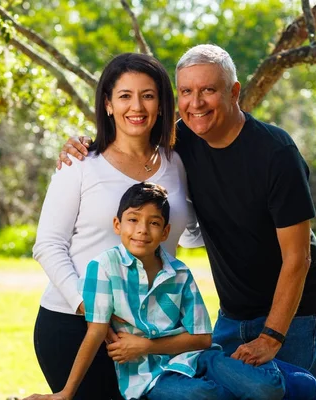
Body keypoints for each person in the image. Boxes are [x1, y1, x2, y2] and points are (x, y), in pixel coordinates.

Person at [58, 44, 316, 377]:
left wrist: (272, 336)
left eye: (208, 90)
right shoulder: (181, 141)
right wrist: (82, 143)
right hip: (232, 312)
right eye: (186, 91)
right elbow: (128, 135)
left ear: (234, 92)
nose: (195, 103)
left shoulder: (277, 152)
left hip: (293, 313)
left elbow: (297, 258)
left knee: (288, 390)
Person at [24, 182, 316, 400]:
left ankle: (274, 377)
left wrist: (146, 345)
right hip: (150, 378)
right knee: (204, 397)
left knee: (268, 388)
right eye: (133, 219)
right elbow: (95, 332)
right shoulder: (103, 268)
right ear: (117, 224)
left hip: (199, 359)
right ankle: (245, 384)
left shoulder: (179, 273)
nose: (142, 230)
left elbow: (203, 338)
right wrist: (65, 394)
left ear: (165, 232)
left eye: (153, 223)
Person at [31, 53, 203, 399]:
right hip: (76, 325)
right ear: (108, 104)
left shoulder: (177, 162)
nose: (136, 106)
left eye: (148, 95)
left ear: (161, 105)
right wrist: (94, 310)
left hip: (151, 334)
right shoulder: (79, 165)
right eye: (124, 95)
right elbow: (48, 245)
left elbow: (189, 232)